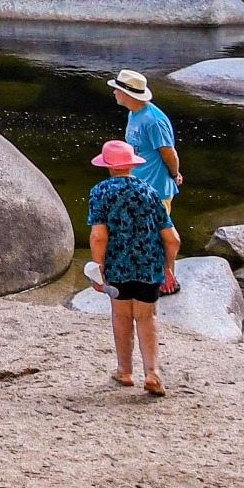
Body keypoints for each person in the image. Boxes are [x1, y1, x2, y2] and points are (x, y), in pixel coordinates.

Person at [86, 137, 182, 396]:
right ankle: (152, 373)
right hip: (149, 265)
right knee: (147, 316)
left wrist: (99, 267)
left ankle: (124, 371)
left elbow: (98, 236)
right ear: (132, 165)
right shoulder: (150, 192)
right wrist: (168, 267)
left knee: (121, 316)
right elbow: (172, 239)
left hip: (118, 265)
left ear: (107, 166)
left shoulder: (101, 192)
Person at [109, 68, 182, 205]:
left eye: (117, 89)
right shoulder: (133, 113)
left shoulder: (154, 121)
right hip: (137, 187)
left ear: (127, 94)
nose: (114, 92)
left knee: (158, 227)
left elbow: (169, 153)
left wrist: (174, 175)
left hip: (156, 192)